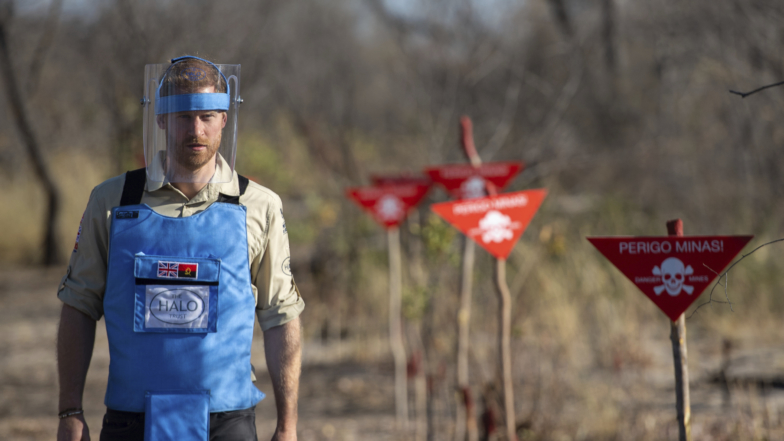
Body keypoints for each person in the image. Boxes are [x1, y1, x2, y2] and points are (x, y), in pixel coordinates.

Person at [56, 56, 304, 441]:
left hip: (227, 421)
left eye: (207, 116)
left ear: (225, 119)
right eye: (183, 115)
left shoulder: (257, 205)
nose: (196, 129)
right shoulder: (112, 200)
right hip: (129, 420)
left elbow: (281, 315)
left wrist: (287, 426)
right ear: (160, 119)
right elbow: (78, 305)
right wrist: (70, 410)